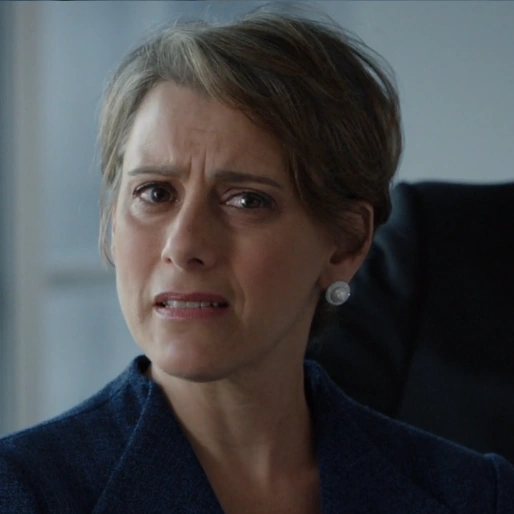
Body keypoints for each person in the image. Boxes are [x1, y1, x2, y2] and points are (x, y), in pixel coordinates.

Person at [1, 6, 513, 514]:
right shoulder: (22, 491)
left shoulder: (476, 496)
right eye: (155, 193)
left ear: (345, 243)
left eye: (246, 200)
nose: (183, 245)